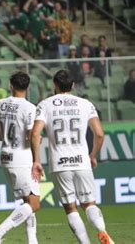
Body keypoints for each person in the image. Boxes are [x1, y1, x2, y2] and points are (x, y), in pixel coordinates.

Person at [31, 69, 115, 244]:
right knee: (89, 204)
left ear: (54, 84)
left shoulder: (44, 105)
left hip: (59, 163)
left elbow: (35, 134)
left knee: (70, 208)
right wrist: (93, 155)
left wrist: (36, 160)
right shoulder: (85, 104)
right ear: (73, 85)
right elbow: (99, 134)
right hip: (82, 161)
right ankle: (102, 231)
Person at [0, 72, 40, 244]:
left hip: (5, 156)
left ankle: (32, 241)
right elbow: (32, 136)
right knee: (34, 203)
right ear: (28, 87)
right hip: (22, 158)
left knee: (27, 201)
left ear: (11, 85)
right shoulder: (30, 108)